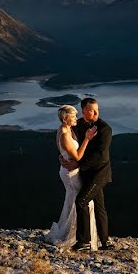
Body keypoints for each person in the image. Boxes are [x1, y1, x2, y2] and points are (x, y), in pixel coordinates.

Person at [61, 97, 114, 252]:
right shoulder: (77, 125)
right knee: (99, 206)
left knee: (81, 201)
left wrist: (77, 164)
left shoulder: (105, 129)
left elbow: (100, 155)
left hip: (99, 174)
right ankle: (104, 242)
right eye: (91, 110)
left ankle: (83, 241)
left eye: (97, 109)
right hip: (85, 174)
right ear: (83, 110)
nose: (96, 112)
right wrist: (62, 155)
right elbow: (68, 142)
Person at [44, 104, 99, 249]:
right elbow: (78, 156)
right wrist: (87, 139)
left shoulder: (66, 129)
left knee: (72, 200)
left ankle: (72, 233)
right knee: (85, 201)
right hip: (70, 173)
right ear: (66, 118)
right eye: (73, 116)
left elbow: (64, 152)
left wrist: (62, 156)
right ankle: (77, 236)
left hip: (67, 169)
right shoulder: (64, 134)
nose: (76, 118)